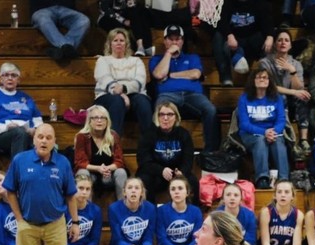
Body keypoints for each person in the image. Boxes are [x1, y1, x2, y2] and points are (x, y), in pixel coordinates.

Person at [151, 24, 220, 152]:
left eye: (177, 39)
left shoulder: (192, 57)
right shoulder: (157, 59)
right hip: (168, 95)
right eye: (171, 39)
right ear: (165, 41)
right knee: (161, 109)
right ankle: (162, 149)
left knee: (211, 110)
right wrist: (168, 54)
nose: (174, 42)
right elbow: (159, 74)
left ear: (182, 41)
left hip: (193, 94)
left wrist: (170, 75)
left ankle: (210, 153)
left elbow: (195, 74)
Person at [94, 28, 153, 140]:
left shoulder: (136, 61)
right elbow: (105, 80)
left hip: (133, 94)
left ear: (126, 44)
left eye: (122, 40)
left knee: (143, 101)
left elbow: (140, 81)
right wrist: (122, 95)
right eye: (115, 40)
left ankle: (149, 143)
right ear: (110, 44)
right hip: (107, 96)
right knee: (117, 101)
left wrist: (124, 88)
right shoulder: (103, 60)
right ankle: (113, 144)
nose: (119, 43)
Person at [236, 67, 289, 188]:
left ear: (269, 81)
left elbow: (281, 120)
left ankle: (284, 178)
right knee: (260, 141)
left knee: (278, 142)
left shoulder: (277, 98)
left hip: (273, 132)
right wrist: (264, 132)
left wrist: (273, 132)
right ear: (253, 80)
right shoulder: (244, 98)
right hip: (250, 134)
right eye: (259, 77)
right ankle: (262, 178)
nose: (262, 80)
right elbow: (244, 124)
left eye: (265, 77)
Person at [262, 28, 312, 156]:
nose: (283, 43)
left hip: (291, 98)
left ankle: (304, 140)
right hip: (271, 99)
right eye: (280, 40)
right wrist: (293, 92)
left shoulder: (295, 64)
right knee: (281, 98)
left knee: (303, 97)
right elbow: (269, 86)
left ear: (290, 45)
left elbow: (299, 87)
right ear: (275, 44)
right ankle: (289, 138)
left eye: (286, 40)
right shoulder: (265, 63)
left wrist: (292, 71)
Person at [136, 101, 197, 202]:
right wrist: (161, 170)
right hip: (155, 173)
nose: (165, 118)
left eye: (170, 114)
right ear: (157, 117)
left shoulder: (183, 134)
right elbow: (144, 161)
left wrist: (181, 172)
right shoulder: (148, 134)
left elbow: (188, 159)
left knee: (192, 181)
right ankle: (150, 210)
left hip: (177, 173)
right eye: (162, 114)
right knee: (144, 179)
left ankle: (193, 210)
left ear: (176, 117)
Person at [0, 62, 43, 158]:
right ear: (1, 79)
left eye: (14, 75)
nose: (10, 78)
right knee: (19, 133)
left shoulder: (26, 98)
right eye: (6, 75)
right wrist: (6, 127)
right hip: (2, 136)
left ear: (18, 80)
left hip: (27, 134)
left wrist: (35, 129)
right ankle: (18, 167)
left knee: (45, 139)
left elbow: (38, 120)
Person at [212, 0, 274, 86]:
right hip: (234, 42)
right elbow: (221, 21)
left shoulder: (260, 3)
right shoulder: (227, 2)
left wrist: (270, 36)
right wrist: (229, 35)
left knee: (270, 39)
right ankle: (226, 77)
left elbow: (267, 21)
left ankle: (264, 76)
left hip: (253, 42)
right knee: (218, 36)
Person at [73, 104, 127, 201]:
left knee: (121, 172)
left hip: (108, 174)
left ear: (107, 121)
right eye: (95, 118)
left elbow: (119, 161)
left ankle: (123, 206)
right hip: (90, 174)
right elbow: (80, 162)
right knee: (82, 172)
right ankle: (85, 207)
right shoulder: (82, 137)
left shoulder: (113, 136)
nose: (99, 120)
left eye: (102, 118)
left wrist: (107, 169)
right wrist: (98, 169)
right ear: (90, 121)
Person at [258, 178, 305, 245]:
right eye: (279, 192)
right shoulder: (267, 212)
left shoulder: (298, 215)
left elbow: (296, 244)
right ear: (275, 195)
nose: (283, 195)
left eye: (286, 192)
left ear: (292, 196)